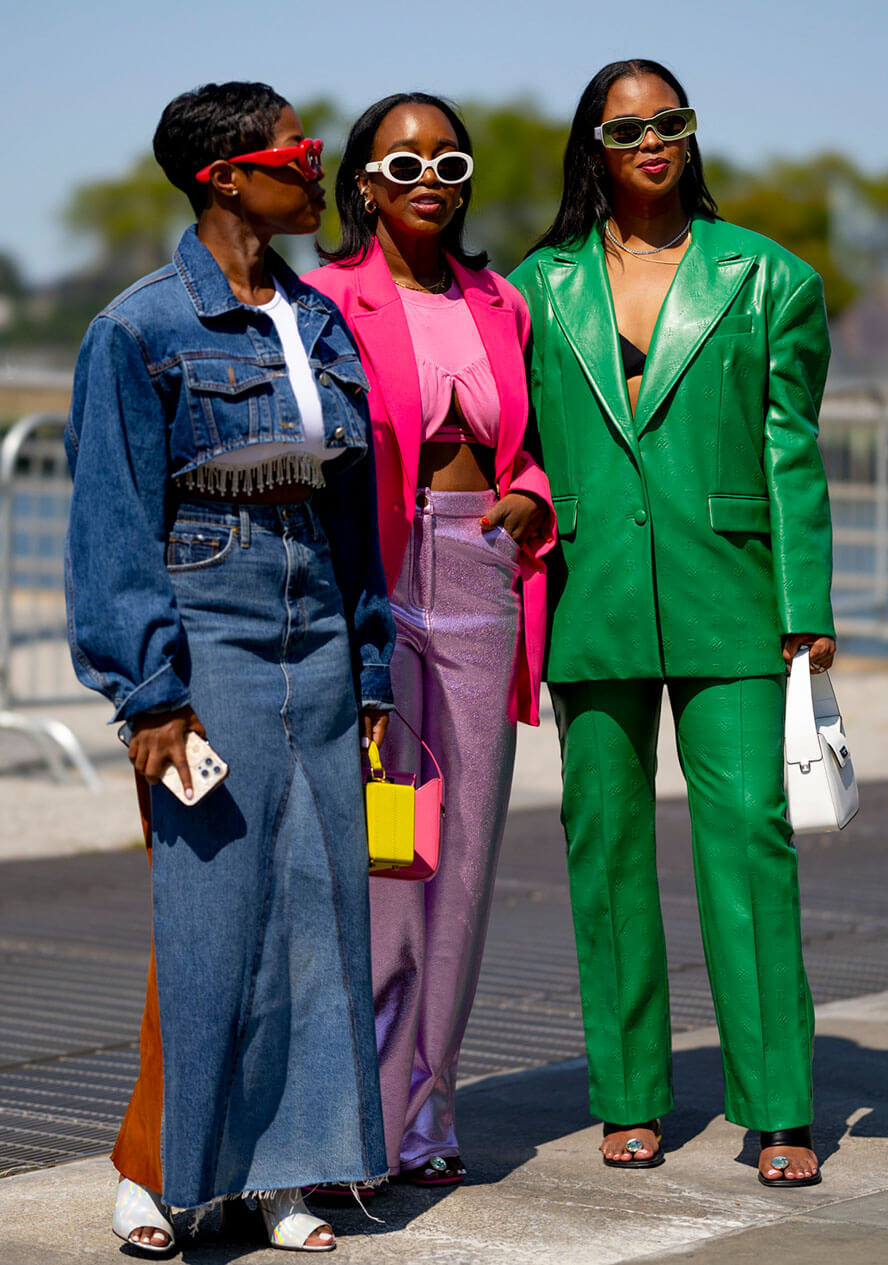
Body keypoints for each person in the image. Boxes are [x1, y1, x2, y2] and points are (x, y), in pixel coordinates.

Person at [65, 81, 394, 1253]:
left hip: (317, 632)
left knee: (319, 908)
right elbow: (111, 523)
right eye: (298, 153)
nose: (320, 170)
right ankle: (157, 1177)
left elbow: (355, 516)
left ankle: (287, 1170)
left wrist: (368, 664)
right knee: (209, 910)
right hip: (210, 635)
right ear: (227, 179)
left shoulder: (318, 324)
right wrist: (147, 692)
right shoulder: (140, 329)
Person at [509, 59, 834, 1187]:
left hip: (733, 594)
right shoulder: (535, 289)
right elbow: (524, 450)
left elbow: (791, 452)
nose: (654, 140)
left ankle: (782, 1103)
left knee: (750, 836)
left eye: (672, 122)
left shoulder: (768, 277)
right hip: (587, 593)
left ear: (693, 134)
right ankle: (631, 1092)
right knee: (603, 852)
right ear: (593, 144)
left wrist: (806, 611)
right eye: (628, 126)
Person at [303, 92, 555, 1186]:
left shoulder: (502, 301)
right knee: (387, 857)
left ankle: (427, 1117)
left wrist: (531, 503)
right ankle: (358, 1108)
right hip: (377, 584)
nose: (427, 180)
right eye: (400, 163)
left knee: (462, 866)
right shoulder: (321, 299)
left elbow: (533, 448)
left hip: (482, 580)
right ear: (361, 182)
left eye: (446, 161)